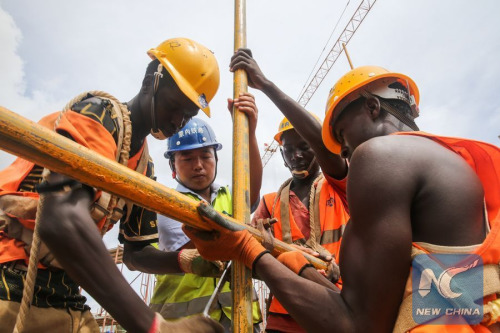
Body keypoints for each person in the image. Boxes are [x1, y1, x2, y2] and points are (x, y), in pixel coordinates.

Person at [183, 62, 500, 332]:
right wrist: (296, 261)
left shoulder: (381, 158)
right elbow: (419, 297)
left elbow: (356, 325)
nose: (343, 150)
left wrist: (248, 252)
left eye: (342, 135)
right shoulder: (454, 163)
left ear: (372, 107)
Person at [0, 37, 224, 333]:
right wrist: (153, 326)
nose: (177, 121)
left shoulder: (144, 167)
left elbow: (136, 253)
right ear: (149, 82)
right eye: (174, 106)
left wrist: (185, 260)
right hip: (12, 272)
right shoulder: (99, 114)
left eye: (188, 114)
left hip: (64, 286)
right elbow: (60, 219)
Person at [231, 49, 349, 332]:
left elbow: (329, 152)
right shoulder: (271, 203)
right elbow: (250, 258)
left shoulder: (342, 186)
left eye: (304, 146)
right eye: (289, 150)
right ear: (282, 157)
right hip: (287, 314)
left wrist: (266, 85)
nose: (296, 155)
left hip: (341, 304)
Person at [123, 101, 263, 331]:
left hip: (239, 318)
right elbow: (205, 245)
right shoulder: (166, 204)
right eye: (187, 158)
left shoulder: (230, 195)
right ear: (173, 166)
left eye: (206, 156)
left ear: (216, 159)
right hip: (185, 322)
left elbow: (252, 191)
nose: (198, 165)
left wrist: (249, 132)